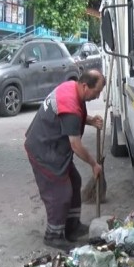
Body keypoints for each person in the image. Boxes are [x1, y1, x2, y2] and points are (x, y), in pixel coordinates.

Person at [24, 70, 106, 250]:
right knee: (60, 193)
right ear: (85, 86)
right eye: (97, 91)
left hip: (55, 148)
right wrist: (94, 164)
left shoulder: (72, 88)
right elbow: (76, 145)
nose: (98, 96)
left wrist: (90, 120)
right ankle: (53, 235)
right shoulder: (70, 101)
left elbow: (72, 118)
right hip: (44, 150)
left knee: (74, 181)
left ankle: (72, 227)